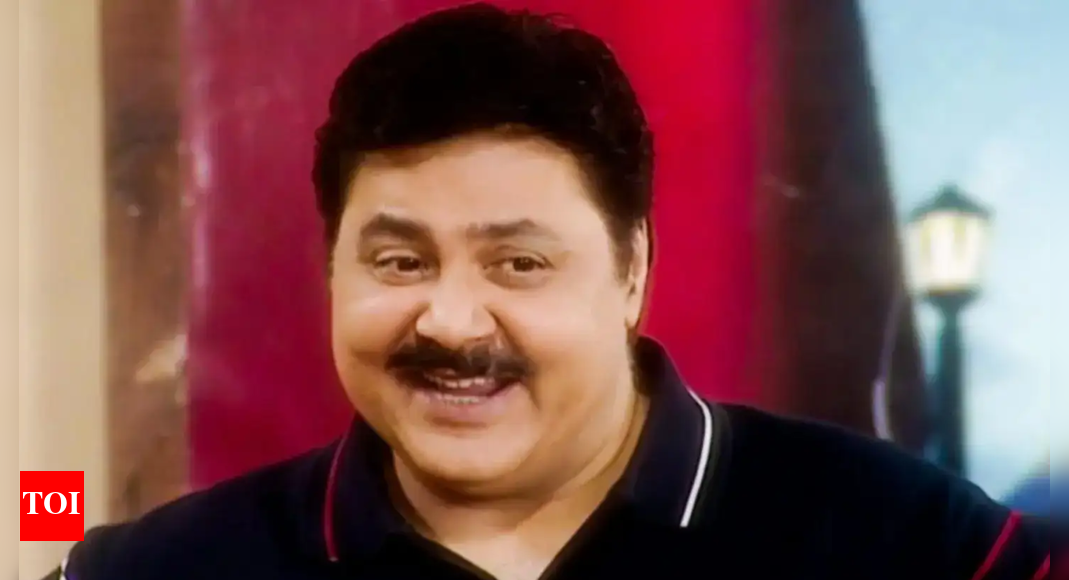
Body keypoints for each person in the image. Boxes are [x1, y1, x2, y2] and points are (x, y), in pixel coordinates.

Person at [44, 4, 1058, 579]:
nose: (449, 321)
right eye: (398, 261)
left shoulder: (904, 544)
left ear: (631, 271)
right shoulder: (157, 571)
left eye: (517, 263)